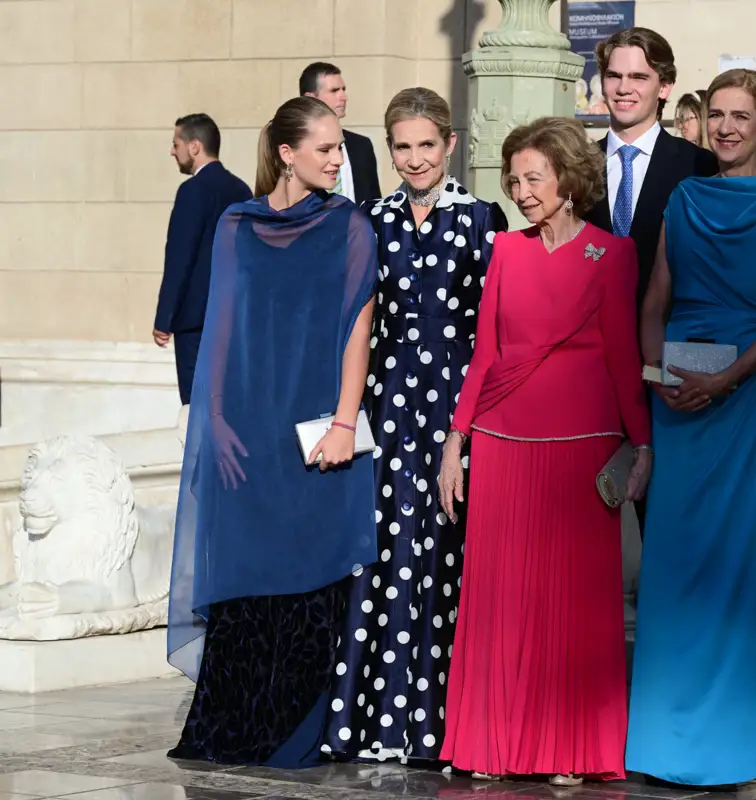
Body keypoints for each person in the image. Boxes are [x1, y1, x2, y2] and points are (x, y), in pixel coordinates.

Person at [436, 117, 651, 785]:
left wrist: (642, 444)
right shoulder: (505, 249)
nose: (523, 191)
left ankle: (570, 749)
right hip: (502, 445)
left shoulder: (613, 256)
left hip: (582, 450)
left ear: (568, 179)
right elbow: (486, 356)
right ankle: (493, 746)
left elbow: (623, 357)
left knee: (575, 610)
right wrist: (455, 439)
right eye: (515, 179)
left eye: (535, 178)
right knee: (503, 605)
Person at [166, 96, 379, 767]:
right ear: (286, 153)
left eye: (340, 149)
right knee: (246, 572)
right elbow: (222, 327)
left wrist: (346, 422)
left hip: (317, 430)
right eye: (325, 149)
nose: (337, 160)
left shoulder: (349, 225)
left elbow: (357, 330)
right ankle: (231, 726)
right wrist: (217, 423)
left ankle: (294, 729)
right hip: (246, 429)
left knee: (311, 571)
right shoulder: (235, 223)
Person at [626, 68, 756, 788]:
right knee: (678, 566)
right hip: (681, 405)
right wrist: (659, 375)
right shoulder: (685, 196)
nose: (729, 127)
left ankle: (753, 731)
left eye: (743, 116)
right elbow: (655, 300)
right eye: (718, 115)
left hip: (747, 401)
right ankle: (668, 736)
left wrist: (726, 378)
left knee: (749, 562)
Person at [325, 87, 507, 763]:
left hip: (460, 409)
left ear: (450, 144)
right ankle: (380, 724)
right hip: (388, 406)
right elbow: (352, 320)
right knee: (389, 553)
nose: (414, 158)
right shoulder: (369, 218)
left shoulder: (483, 217)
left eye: (426, 144)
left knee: (451, 552)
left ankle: (449, 726)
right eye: (402, 146)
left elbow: (498, 327)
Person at [583, 26, 717, 534]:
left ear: (664, 86)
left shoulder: (700, 168)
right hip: (591, 368)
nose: (623, 87)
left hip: (669, 368)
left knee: (671, 519)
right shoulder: (575, 166)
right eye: (613, 75)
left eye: (638, 76)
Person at [154, 113, 252, 405]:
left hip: (195, 322)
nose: (173, 151)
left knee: (196, 407)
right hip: (234, 316)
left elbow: (180, 257)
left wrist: (164, 318)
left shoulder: (192, 190)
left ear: (194, 147)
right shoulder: (241, 188)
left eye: (176, 144)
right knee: (228, 405)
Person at [301, 62, 383, 203]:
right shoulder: (296, 146)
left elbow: (374, 202)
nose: (343, 97)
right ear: (310, 98)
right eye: (334, 91)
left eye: (343, 89)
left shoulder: (361, 146)